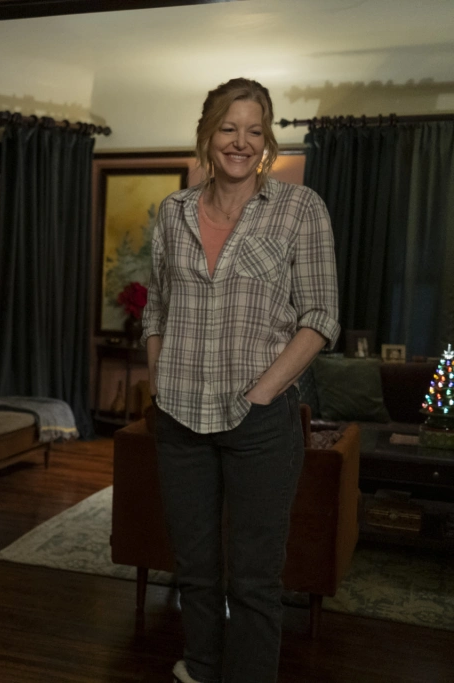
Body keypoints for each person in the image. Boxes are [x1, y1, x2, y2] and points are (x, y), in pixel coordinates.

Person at [141, 78, 339, 683]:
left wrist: (262, 393)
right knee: (195, 568)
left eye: (254, 130)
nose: (240, 141)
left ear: (267, 139)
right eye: (228, 128)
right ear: (207, 134)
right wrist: (159, 380)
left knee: (254, 578)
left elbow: (321, 317)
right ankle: (201, 667)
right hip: (179, 417)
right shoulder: (173, 212)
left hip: (260, 423)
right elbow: (156, 308)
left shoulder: (300, 209)